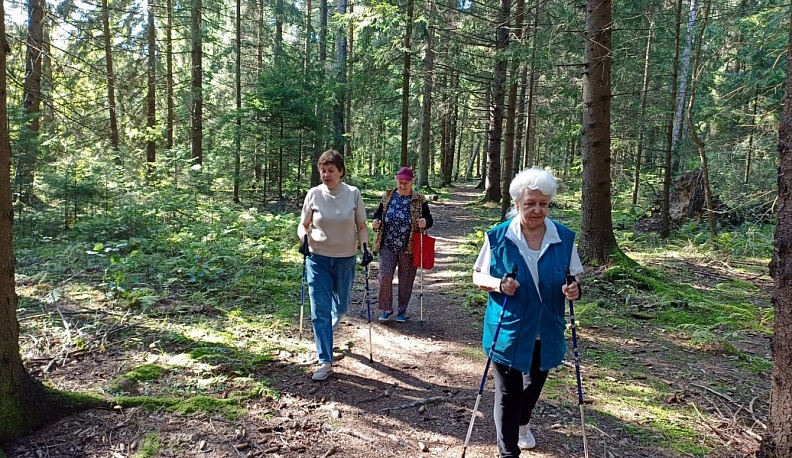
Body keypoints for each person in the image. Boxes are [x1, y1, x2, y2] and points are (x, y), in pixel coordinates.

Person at [472, 166, 583, 457]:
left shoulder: (564, 238)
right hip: (508, 327)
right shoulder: (498, 237)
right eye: (530, 203)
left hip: (546, 329)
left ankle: (523, 421)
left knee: (534, 383)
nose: (537, 210)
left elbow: (574, 277)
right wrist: (498, 283)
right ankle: (509, 453)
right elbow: (478, 276)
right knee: (508, 395)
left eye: (543, 204)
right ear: (517, 203)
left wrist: (574, 289)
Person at [298, 150, 372, 381]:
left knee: (340, 308)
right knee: (319, 310)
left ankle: (332, 324)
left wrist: (365, 247)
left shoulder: (353, 194)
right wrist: (303, 239)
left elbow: (361, 225)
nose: (326, 174)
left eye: (331, 170)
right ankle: (325, 360)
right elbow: (304, 224)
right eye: (323, 170)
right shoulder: (313, 194)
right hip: (317, 258)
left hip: (345, 259)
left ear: (341, 172)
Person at [371, 166, 434, 323]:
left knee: (406, 280)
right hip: (387, 244)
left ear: (412, 182)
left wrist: (425, 222)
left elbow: (429, 219)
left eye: (406, 182)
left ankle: (401, 311)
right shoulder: (387, 196)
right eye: (400, 182)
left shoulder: (419, 200)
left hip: (409, 246)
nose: (403, 185)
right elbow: (378, 213)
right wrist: (376, 221)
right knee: (385, 276)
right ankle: (386, 308)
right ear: (396, 180)